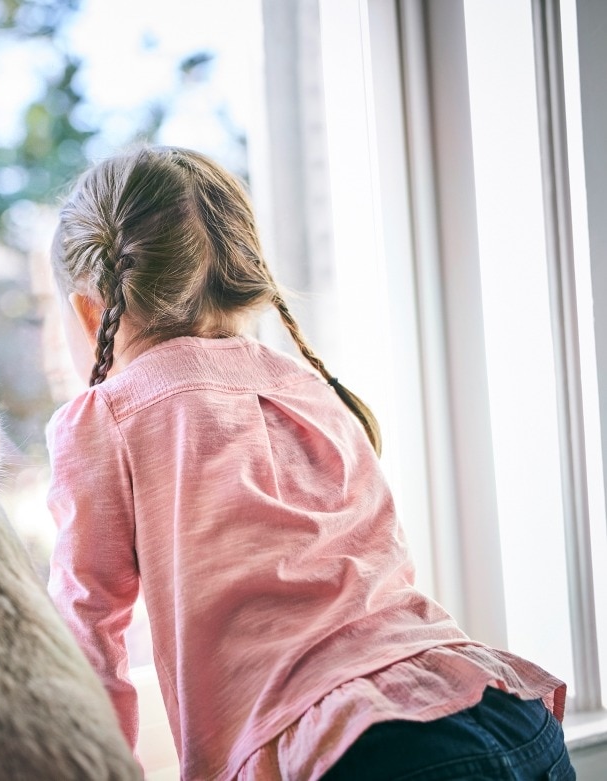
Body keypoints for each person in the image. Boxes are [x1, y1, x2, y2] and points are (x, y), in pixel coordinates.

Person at [44, 145, 574, 780]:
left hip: (362, 753)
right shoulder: (311, 389)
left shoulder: (104, 417)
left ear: (88, 310)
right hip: (498, 706)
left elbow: (85, 638)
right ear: (241, 279)